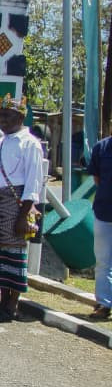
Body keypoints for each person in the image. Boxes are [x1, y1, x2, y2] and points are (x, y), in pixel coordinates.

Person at [0, 94, 43, 323]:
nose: (2, 119)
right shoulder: (2, 140)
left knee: (13, 254)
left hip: (14, 206)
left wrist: (24, 215)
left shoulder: (30, 143)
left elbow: (33, 183)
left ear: (21, 116)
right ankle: (1, 302)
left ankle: (12, 305)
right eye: (0, 115)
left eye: (7, 115)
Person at [88, 132, 112, 319]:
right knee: (103, 261)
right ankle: (104, 304)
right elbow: (97, 179)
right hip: (104, 211)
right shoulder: (102, 147)